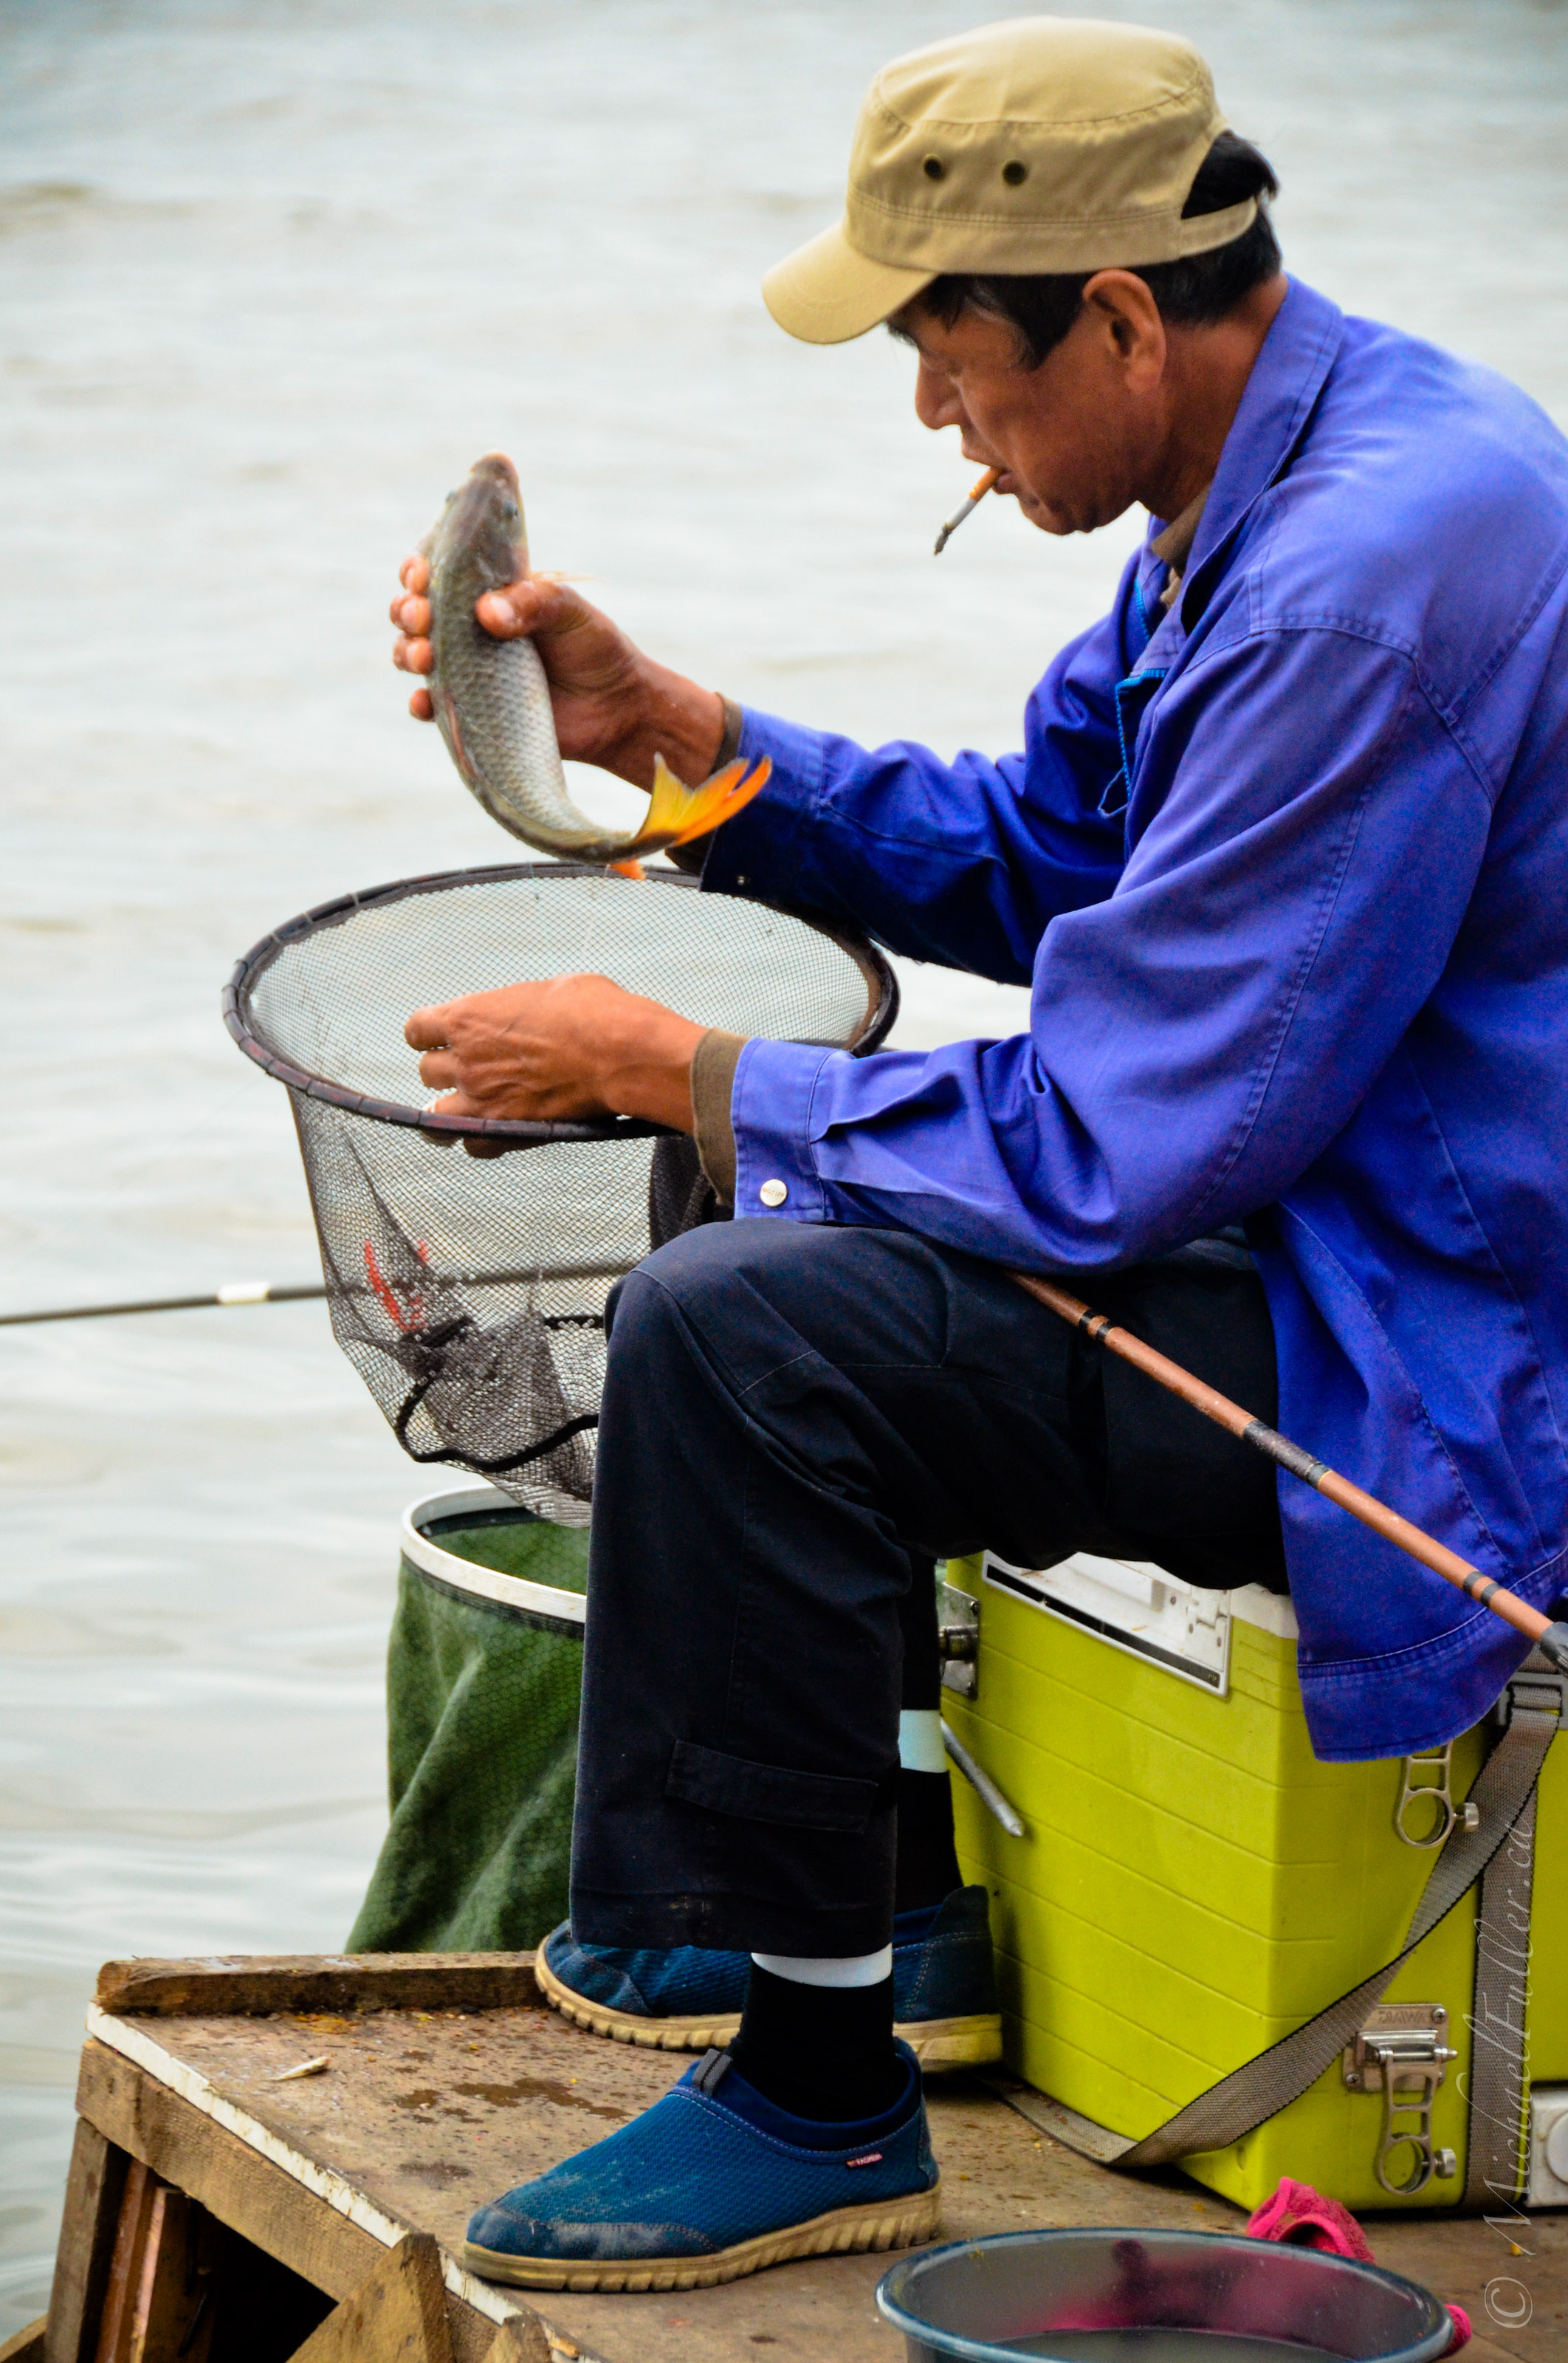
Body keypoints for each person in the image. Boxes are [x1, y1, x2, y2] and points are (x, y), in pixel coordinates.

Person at [388, 16, 1568, 2294]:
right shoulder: (1287, 469)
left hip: (1442, 1357)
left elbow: (1119, 1138)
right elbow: (1054, 853)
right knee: (766, 1208)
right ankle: (877, 1899)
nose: (933, 413)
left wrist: (675, 1067)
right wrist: (678, 739)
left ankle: (817, 2083)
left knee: (749, 1331)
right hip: (1331, 1230)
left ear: (1113, 317)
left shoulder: (1358, 575)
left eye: (950, 359)